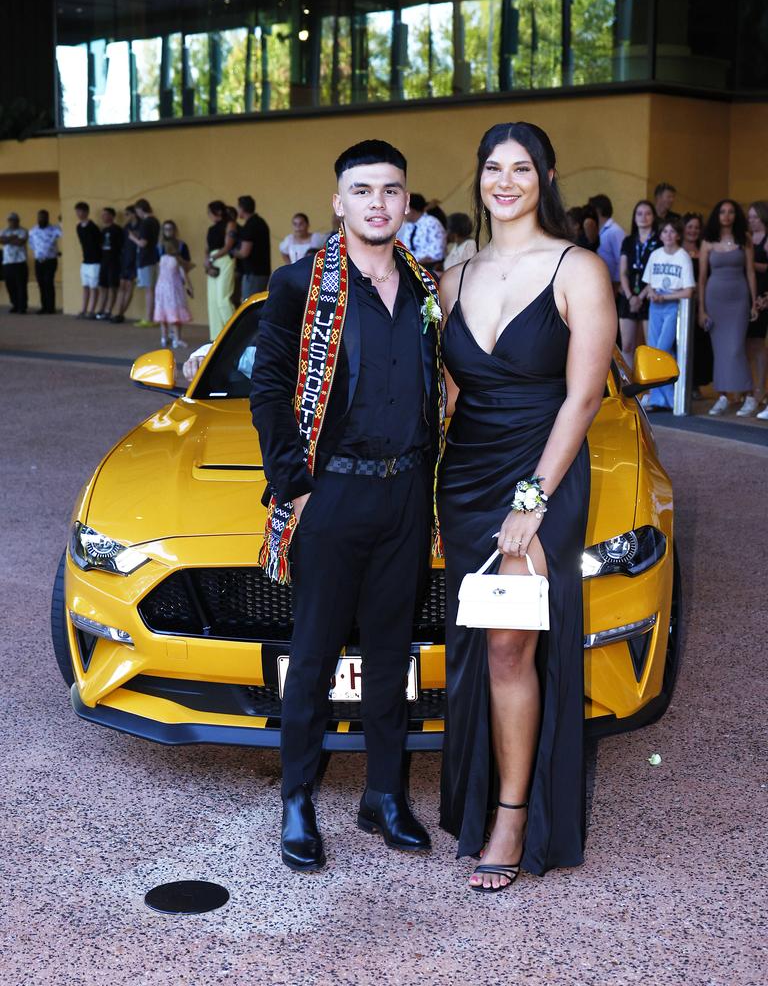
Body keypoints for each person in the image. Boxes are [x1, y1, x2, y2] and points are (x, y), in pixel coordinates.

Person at [250, 139, 444, 874]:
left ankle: (384, 798)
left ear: (406, 201)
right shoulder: (300, 283)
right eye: (362, 191)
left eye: (391, 191)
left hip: (403, 494)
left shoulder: (425, 286)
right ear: (339, 202)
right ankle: (297, 799)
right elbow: (268, 384)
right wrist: (293, 477)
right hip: (329, 493)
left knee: (392, 653)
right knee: (315, 654)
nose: (377, 203)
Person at [438, 122, 616, 892]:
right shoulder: (453, 275)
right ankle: (482, 791)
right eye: (491, 168)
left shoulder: (579, 269)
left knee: (511, 645)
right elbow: (446, 400)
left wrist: (532, 499)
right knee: (479, 641)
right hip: (465, 477)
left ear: (545, 176)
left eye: (520, 168)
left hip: (539, 473)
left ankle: (513, 815)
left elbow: (582, 398)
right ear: (478, 178)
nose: (504, 181)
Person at [699, 200, 756, 416]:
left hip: (739, 299)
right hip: (715, 300)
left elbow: (750, 272)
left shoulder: (745, 239)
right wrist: (701, 310)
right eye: (722, 211)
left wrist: (753, 303)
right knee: (720, 351)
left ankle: (750, 395)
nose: (727, 215)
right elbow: (702, 278)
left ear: (736, 215)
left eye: (731, 212)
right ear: (717, 215)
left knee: (736, 349)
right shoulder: (708, 241)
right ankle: (722, 396)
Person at [641, 217, 696, 411]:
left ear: (679, 235)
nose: (669, 235)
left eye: (672, 232)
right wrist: (652, 293)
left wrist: (666, 297)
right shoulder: (655, 255)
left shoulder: (683, 257)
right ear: (661, 235)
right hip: (655, 305)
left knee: (663, 350)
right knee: (655, 349)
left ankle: (671, 398)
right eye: (665, 232)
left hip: (674, 305)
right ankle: (660, 399)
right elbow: (648, 283)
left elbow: (689, 291)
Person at [618, 200, 660, 366]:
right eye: (639, 213)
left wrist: (640, 297)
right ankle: (629, 388)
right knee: (627, 345)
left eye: (648, 213)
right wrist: (630, 297)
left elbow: (657, 273)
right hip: (629, 296)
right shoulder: (628, 241)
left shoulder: (659, 241)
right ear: (634, 217)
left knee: (649, 346)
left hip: (649, 296)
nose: (644, 217)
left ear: (653, 217)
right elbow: (623, 272)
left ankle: (649, 389)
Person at [681, 212, 713, 396]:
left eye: (697, 227)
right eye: (690, 227)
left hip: (701, 301)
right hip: (681, 302)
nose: (693, 231)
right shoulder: (676, 249)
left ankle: (695, 386)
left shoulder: (704, 250)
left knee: (699, 345)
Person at [744, 201, 768, 417]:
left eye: (755, 217)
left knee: (758, 345)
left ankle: (760, 391)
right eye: (749, 217)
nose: (751, 220)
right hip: (747, 297)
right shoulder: (747, 238)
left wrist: (749, 264)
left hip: (763, 297)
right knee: (747, 345)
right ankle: (750, 391)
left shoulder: (766, 240)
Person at [204, 200, 237, 339]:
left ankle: (234, 331)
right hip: (213, 259)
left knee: (223, 298)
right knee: (212, 299)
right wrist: (207, 261)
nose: (209, 215)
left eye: (210, 212)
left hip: (224, 259)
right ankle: (217, 336)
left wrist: (212, 258)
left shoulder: (230, 224)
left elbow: (228, 245)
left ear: (216, 212)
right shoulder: (211, 229)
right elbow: (207, 248)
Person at [154, 237, 193, 349]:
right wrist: (190, 287)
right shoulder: (177, 261)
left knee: (164, 315)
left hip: (161, 290)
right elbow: (184, 276)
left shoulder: (162, 259)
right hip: (173, 290)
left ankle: (164, 338)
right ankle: (177, 339)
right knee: (175, 315)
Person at [234, 195, 271, 300]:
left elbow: (244, 252)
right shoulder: (260, 222)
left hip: (253, 274)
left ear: (242, 209)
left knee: (250, 305)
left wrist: (231, 252)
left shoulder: (251, 225)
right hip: (261, 272)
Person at [130, 199, 160, 327]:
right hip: (153, 257)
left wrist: (133, 238)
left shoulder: (146, 223)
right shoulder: (156, 221)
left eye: (137, 211)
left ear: (141, 209)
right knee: (151, 288)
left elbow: (143, 243)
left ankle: (150, 318)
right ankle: (152, 317)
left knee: (149, 289)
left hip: (146, 258)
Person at [588, 194, 625, 294]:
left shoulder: (615, 231)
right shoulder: (598, 230)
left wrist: (617, 285)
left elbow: (621, 259)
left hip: (613, 285)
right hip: (602, 283)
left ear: (598, 210)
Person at [398, 193, 447, 268]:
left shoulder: (431, 223)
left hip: (428, 267)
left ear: (412, 210)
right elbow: (405, 249)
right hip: (412, 266)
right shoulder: (409, 225)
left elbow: (437, 253)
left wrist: (416, 263)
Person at [27, 209, 62, 314]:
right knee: (41, 284)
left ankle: (51, 308)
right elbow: (31, 244)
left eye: (44, 217)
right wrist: (39, 252)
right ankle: (44, 307)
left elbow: (64, 235)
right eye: (40, 217)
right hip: (38, 261)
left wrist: (61, 222)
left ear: (48, 217)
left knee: (48, 282)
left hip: (50, 261)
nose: (41, 219)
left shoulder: (54, 229)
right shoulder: (33, 231)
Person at [110, 205, 139, 324]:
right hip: (125, 258)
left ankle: (122, 313)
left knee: (129, 286)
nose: (125, 217)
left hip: (135, 259)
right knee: (122, 285)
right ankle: (118, 312)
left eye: (127, 214)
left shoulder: (140, 226)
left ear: (134, 214)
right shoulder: (126, 228)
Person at [95, 207, 124, 319]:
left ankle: (109, 310)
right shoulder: (102, 230)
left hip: (114, 262)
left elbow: (121, 246)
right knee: (103, 286)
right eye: (102, 215)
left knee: (112, 287)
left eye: (106, 214)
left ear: (112, 216)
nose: (103, 217)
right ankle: (101, 309)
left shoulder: (117, 229)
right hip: (104, 261)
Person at [74, 202, 101, 318]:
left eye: (80, 211)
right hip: (85, 261)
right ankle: (84, 309)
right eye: (77, 212)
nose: (78, 214)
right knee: (85, 286)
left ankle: (91, 310)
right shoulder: (78, 227)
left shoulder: (93, 227)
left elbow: (98, 242)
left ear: (86, 212)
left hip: (95, 261)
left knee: (93, 287)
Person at [1, 212, 29, 314]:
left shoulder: (23, 230)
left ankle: (22, 307)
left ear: (18, 221)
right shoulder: (3, 230)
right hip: (7, 263)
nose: (11, 222)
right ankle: (15, 305)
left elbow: (20, 242)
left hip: (20, 262)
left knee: (21, 286)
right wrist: (13, 238)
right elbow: (1, 241)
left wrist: (7, 239)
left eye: (13, 220)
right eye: (10, 220)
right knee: (10, 286)